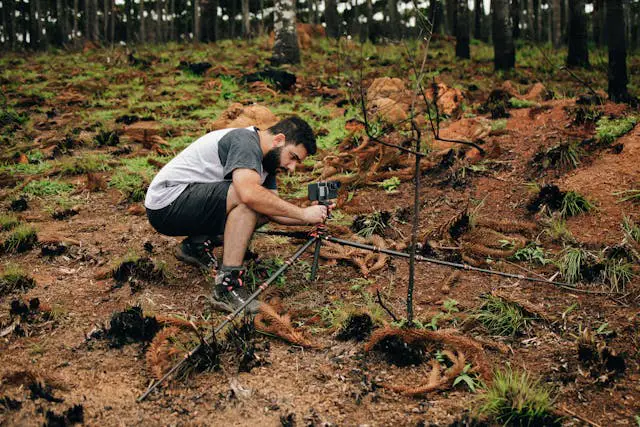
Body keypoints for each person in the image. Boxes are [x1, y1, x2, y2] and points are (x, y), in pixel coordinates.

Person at [144, 116, 330, 313]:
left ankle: (195, 245)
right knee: (249, 200)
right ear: (278, 140)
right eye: (293, 157)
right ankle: (226, 288)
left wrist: (313, 214)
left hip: (184, 205)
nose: (292, 168)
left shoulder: (267, 161)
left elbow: (275, 211)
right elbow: (249, 195)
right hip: (166, 204)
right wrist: (302, 213)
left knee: (264, 203)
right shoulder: (246, 142)